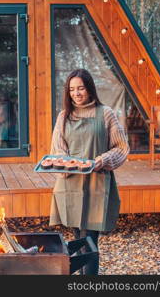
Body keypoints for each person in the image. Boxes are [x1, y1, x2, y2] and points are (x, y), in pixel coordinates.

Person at [50, 69, 130, 275]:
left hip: (96, 182)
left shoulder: (105, 113)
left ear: (89, 88)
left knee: (90, 239)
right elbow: (57, 149)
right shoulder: (64, 116)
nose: (76, 93)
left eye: (81, 88)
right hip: (71, 183)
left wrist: (102, 160)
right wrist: (66, 164)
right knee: (78, 238)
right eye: (72, 89)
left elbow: (122, 147)